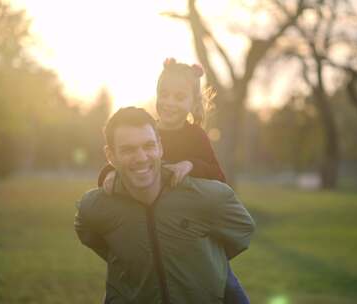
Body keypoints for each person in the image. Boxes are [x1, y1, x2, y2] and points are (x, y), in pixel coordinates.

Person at [97, 58, 250, 303]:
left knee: (225, 284)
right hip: (153, 226)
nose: (169, 103)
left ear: (193, 102)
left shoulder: (196, 136)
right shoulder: (149, 132)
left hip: (191, 226)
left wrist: (190, 165)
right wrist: (109, 174)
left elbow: (219, 177)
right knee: (126, 282)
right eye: (164, 94)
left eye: (179, 97)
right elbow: (121, 159)